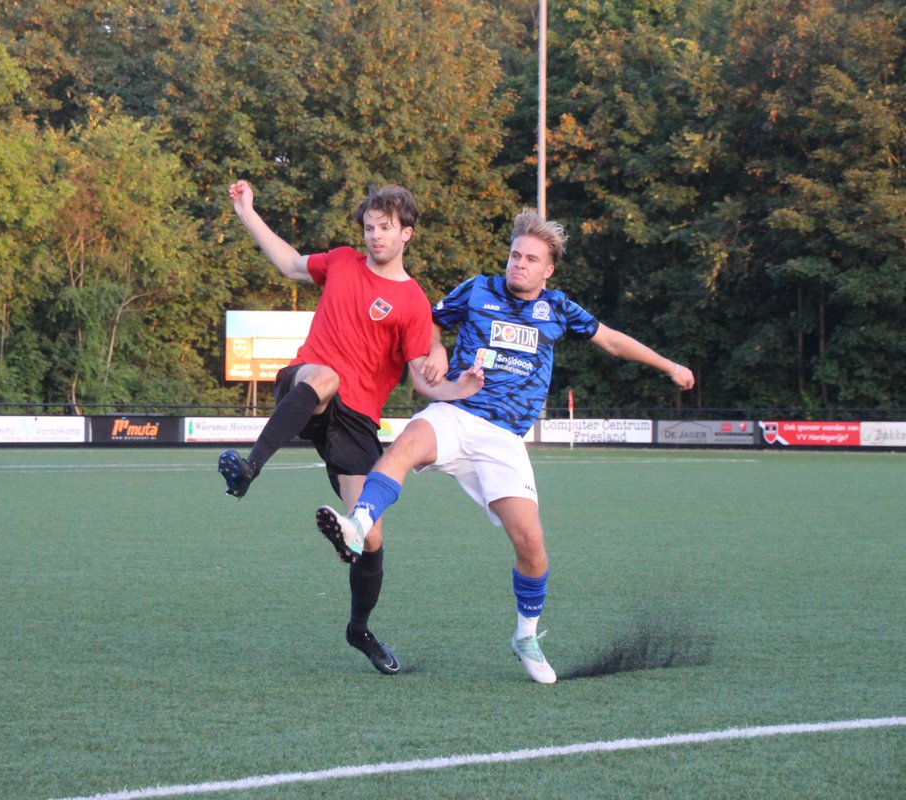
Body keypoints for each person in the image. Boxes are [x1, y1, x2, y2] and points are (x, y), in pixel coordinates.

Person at [316, 208, 695, 684]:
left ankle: (526, 636)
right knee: (405, 444)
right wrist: (434, 351)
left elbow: (613, 342)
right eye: (515, 255)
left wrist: (669, 366)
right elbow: (427, 323)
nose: (518, 264)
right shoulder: (478, 289)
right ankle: (359, 525)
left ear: (547, 270)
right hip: (457, 411)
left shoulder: (557, 309)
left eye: (530, 259)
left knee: (532, 546)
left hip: (504, 439)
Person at [219, 179, 484, 674]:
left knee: (372, 534)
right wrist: (246, 211)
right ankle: (248, 469)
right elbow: (291, 264)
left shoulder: (411, 302)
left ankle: (359, 629)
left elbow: (421, 383)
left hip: (358, 420)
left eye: (384, 228)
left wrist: (458, 389)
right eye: (368, 227)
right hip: (309, 387)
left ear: (407, 233)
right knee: (324, 375)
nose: (373, 236)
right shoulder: (341, 261)